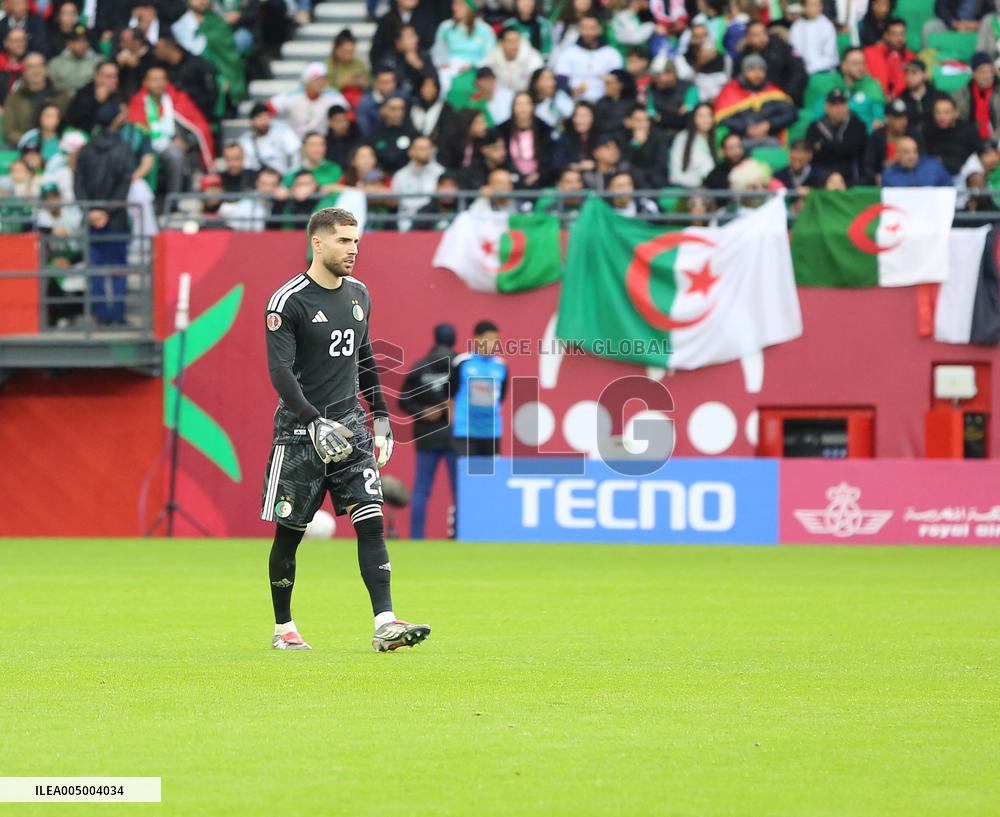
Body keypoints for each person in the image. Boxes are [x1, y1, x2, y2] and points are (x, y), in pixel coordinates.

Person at [262, 207, 430, 653]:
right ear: (317, 243)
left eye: (356, 241)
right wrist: (312, 419)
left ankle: (385, 623)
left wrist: (380, 417)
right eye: (343, 241)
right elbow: (280, 372)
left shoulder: (359, 293)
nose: (353, 249)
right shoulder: (288, 301)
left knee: (371, 522)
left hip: (351, 428)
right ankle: (284, 627)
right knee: (290, 533)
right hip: (300, 434)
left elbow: (365, 358)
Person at [74, 102, 133, 325]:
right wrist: (107, 211)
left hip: (91, 219)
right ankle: (117, 314)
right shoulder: (124, 148)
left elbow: (78, 184)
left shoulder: (86, 149)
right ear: (116, 120)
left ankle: (100, 313)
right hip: (116, 218)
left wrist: (90, 210)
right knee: (118, 267)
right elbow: (124, 184)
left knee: (95, 267)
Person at [399, 322, 458, 540]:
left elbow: (402, 400)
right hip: (454, 434)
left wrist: (422, 411)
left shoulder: (419, 366)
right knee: (459, 489)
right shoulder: (460, 365)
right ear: (453, 340)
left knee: (422, 489)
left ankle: (416, 537)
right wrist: (451, 407)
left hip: (426, 434)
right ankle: (461, 534)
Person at [450, 319, 508, 457]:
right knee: (468, 476)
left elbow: (501, 397)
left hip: (491, 430)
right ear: (476, 339)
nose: (492, 344)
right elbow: (450, 396)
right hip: (466, 430)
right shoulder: (462, 362)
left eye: (496, 340)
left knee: (491, 477)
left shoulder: (501, 366)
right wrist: (454, 423)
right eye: (488, 339)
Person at [714, 54, 797, 145]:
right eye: (752, 69)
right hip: (740, 140)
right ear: (744, 71)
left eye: (761, 70)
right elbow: (721, 118)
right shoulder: (730, 90)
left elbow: (791, 113)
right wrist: (746, 128)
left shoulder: (774, 92)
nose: (757, 74)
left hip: (770, 137)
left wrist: (769, 124)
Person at [732, 20, 806, 106]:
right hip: (754, 102)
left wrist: (786, 94)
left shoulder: (781, 48)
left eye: (764, 33)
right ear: (747, 39)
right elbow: (736, 81)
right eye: (756, 35)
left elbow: (799, 72)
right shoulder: (743, 57)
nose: (761, 37)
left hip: (785, 98)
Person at [2, 53, 69, 147]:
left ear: (46, 69)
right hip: (23, 145)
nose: (36, 70)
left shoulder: (60, 94)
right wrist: (28, 141)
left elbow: (68, 123)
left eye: (40, 66)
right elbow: (8, 131)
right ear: (24, 72)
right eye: (31, 67)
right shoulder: (14, 98)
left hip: (56, 144)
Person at [269, 62, 349, 140]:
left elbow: (349, 115)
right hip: (296, 142)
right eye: (316, 80)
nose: (321, 83)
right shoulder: (293, 95)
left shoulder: (332, 96)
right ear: (307, 81)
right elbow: (268, 109)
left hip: (322, 143)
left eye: (323, 79)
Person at [553, 13, 623, 102]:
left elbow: (619, 80)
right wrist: (571, 90)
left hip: (604, 102)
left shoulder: (611, 53)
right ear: (579, 30)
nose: (588, 32)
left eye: (592, 28)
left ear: (599, 29)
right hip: (574, 101)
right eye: (584, 28)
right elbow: (561, 79)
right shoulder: (568, 52)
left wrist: (610, 80)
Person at [806, 88, 869, 185]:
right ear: (826, 107)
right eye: (835, 104)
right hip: (823, 173)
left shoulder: (857, 124)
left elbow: (853, 150)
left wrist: (824, 145)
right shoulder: (815, 126)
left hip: (850, 174)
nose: (840, 108)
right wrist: (841, 146)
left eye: (843, 104)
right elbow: (812, 153)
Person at [498, 89, 554, 187]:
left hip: (540, 178)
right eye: (519, 104)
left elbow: (549, 157)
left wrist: (538, 174)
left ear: (532, 106)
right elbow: (502, 157)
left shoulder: (544, 129)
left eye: (526, 104)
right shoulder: (502, 130)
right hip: (511, 177)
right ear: (512, 107)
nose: (523, 108)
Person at [391, 134, 444, 230]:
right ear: (411, 152)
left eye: (428, 148)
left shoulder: (440, 173)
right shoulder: (400, 175)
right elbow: (394, 200)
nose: (426, 152)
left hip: (433, 221)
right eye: (421, 149)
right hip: (405, 223)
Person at [924, 96, 984, 178]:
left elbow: (980, 152)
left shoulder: (968, 130)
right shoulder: (928, 131)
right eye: (938, 113)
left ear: (955, 113)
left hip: (965, 171)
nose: (942, 117)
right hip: (938, 172)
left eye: (946, 113)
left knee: (976, 177)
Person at [239, 102, 302, 175]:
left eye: (267, 117)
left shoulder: (282, 131)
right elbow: (247, 166)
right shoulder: (245, 141)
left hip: (282, 177)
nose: (264, 121)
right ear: (252, 121)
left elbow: (295, 154)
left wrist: (291, 175)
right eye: (260, 117)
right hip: (258, 179)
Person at [863, 17, 915, 99]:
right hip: (875, 98)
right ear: (885, 35)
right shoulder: (869, 53)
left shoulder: (911, 57)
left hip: (902, 101)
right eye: (895, 34)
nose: (899, 38)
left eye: (902, 34)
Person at [484, 23, 543, 93]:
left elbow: (538, 82)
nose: (514, 46)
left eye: (517, 41)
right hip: (499, 96)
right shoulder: (492, 56)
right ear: (502, 43)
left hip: (525, 97)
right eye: (510, 41)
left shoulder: (532, 57)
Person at [669, 101, 716, 187]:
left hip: (712, 187)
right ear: (693, 118)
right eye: (701, 116)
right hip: (688, 187)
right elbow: (676, 173)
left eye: (709, 115)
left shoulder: (716, 138)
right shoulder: (682, 138)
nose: (706, 119)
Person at [954, 52, 1000, 139]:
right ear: (974, 74)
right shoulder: (962, 94)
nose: (988, 76)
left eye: (991, 71)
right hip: (969, 139)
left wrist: (993, 140)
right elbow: (958, 121)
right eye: (983, 72)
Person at [898, 58, 950, 134]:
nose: (909, 77)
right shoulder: (901, 100)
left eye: (914, 73)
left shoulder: (940, 97)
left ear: (924, 75)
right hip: (912, 141)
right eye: (906, 73)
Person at [370, 93, 418, 174]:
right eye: (393, 109)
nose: (398, 113)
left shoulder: (412, 133)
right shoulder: (374, 133)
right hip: (380, 178)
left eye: (401, 109)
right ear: (383, 110)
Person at [48, 25, 101, 96]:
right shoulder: (55, 63)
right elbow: (51, 86)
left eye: (84, 41)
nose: (81, 45)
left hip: (90, 101)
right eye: (77, 41)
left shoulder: (98, 62)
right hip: (63, 101)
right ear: (69, 43)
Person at [881, 134, 953, 185]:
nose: (912, 156)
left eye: (915, 151)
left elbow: (949, 189)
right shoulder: (889, 176)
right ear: (898, 155)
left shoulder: (933, 167)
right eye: (906, 152)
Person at [789, 0, 838, 75]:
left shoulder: (827, 26)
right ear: (803, 7)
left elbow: (830, 56)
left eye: (818, 5)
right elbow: (794, 51)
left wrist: (811, 68)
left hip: (824, 71)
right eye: (812, 5)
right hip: (801, 71)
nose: (816, 8)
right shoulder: (796, 26)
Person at [922, 0, 990, 49]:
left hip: (979, 26)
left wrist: (978, 24)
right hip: (954, 23)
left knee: (990, 27)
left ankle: (986, 64)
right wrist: (954, 23)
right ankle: (927, 60)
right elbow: (940, 6)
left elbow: (994, 12)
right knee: (930, 27)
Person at [409, 72, 455, 141]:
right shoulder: (412, 106)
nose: (428, 90)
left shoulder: (446, 108)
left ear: (437, 89)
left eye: (432, 87)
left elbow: (447, 132)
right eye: (425, 86)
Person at [527, 65, 574, 130]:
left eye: (552, 79)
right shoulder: (528, 102)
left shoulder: (561, 97)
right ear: (535, 83)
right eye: (547, 79)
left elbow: (571, 117)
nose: (552, 83)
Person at [326, 28, 370, 94]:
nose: (349, 55)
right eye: (346, 51)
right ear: (337, 50)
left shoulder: (360, 64)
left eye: (351, 51)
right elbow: (325, 89)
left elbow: (370, 84)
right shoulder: (327, 66)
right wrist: (343, 82)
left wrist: (362, 83)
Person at [325, 104, 364, 168]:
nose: (343, 124)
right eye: (338, 121)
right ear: (330, 122)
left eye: (345, 120)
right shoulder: (325, 143)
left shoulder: (356, 139)